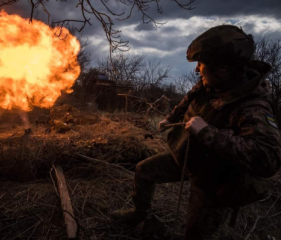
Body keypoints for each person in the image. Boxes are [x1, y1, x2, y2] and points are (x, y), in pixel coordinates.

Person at [111, 25, 281, 240]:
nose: (197, 70)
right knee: (144, 170)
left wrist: (207, 132)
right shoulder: (209, 84)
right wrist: (170, 119)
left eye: (202, 64)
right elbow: (187, 100)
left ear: (223, 70)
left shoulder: (253, 107)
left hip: (215, 180)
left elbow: (268, 159)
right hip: (188, 158)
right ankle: (139, 213)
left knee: (195, 234)